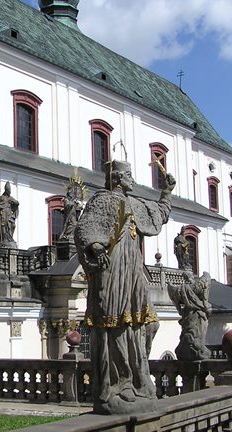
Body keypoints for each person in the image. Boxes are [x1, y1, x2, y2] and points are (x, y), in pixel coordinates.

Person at [74, 159, 175, 414]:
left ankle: (139, 378)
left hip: (133, 270)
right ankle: (119, 383)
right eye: (128, 175)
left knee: (148, 324)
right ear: (117, 178)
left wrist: (166, 192)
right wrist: (96, 246)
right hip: (113, 269)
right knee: (116, 324)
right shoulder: (102, 200)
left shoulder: (135, 203)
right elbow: (84, 229)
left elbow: (158, 214)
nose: (133, 179)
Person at [168, 272, 212, 361]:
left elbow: (177, 302)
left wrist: (180, 310)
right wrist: (204, 305)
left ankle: (192, 347)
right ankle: (196, 348)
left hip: (188, 313)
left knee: (191, 330)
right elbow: (204, 299)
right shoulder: (196, 285)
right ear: (191, 277)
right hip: (197, 313)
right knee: (197, 331)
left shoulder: (181, 288)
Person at [0, 181, 19, 248]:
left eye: (9, 190)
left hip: (9, 214)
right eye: (8, 190)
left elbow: (17, 203)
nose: (9, 191)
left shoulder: (10, 198)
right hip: (3, 214)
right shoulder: (1, 198)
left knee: (12, 225)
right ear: (6, 190)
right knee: (3, 227)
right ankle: (4, 240)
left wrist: (15, 202)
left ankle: (10, 238)